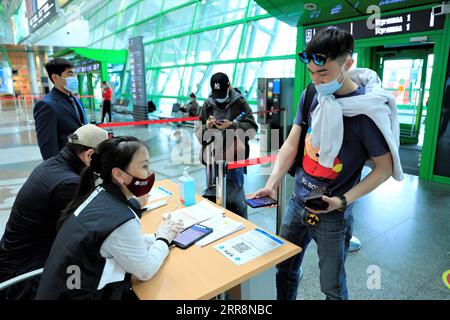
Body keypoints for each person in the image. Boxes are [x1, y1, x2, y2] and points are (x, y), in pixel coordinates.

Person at [252, 27, 403, 300]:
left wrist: (343, 201)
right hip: (297, 202)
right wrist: (272, 183)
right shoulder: (311, 95)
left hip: (333, 214)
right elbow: (291, 143)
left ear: (348, 63)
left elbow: (385, 168)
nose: (316, 81)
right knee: (284, 269)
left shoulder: (367, 112)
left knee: (331, 287)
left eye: (323, 73)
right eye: (311, 73)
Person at [35, 137, 184, 300]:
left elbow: (117, 243)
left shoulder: (99, 194)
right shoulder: (121, 221)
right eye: (144, 166)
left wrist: (154, 238)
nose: (150, 173)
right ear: (119, 174)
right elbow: (145, 270)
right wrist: (163, 239)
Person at [0, 124, 109, 300]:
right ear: (89, 155)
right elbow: (95, 226)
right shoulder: (67, 184)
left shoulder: (53, 165)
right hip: (26, 278)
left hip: (15, 259)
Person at [195, 72, 258, 219]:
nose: (220, 97)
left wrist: (233, 125)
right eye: (217, 93)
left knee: (236, 199)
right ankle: (216, 225)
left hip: (234, 158)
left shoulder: (240, 102)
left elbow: (253, 130)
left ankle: (241, 226)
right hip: (212, 159)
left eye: (222, 92)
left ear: (229, 86)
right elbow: (199, 135)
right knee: (213, 196)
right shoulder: (207, 105)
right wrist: (208, 127)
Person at [33, 58, 87, 160]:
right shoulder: (46, 105)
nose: (75, 77)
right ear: (55, 77)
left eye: (75, 74)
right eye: (70, 74)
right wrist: (57, 171)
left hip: (83, 161)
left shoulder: (75, 99)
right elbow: (48, 146)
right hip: (66, 163)